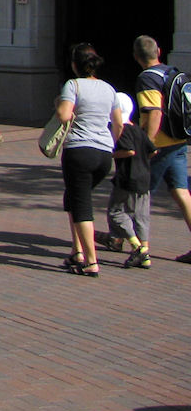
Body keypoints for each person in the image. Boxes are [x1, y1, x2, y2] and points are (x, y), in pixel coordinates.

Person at [52, 43, 123, 277]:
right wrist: (113, 145)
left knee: (81, 204)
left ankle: (91, 261)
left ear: (75, 65)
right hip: (103, 153)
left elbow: (63, 115)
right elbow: (118, 123)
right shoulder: (109, 88)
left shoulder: (73, 85)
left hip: (79, 150)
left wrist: (60, 104)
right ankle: (77, 251)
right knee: (73, 197)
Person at [131, 34, 191, 262]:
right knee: (181, 193)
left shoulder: (147, 78)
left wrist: (147, 145)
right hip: (179, 141)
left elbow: (154, 112)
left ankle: (138, 245)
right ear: (159, 52)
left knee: (140, 195)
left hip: (159, 145)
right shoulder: (173, 72)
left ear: (136, 57)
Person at [107, 90, 153, 269]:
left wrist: (112, 154)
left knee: (116, 212)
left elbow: (129, 150)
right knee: (141, 216)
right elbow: (153, 150)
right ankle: (145, 255)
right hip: (144, 178)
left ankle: (137, 246)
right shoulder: (139, 130)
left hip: (127, 178)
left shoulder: (123, 129)